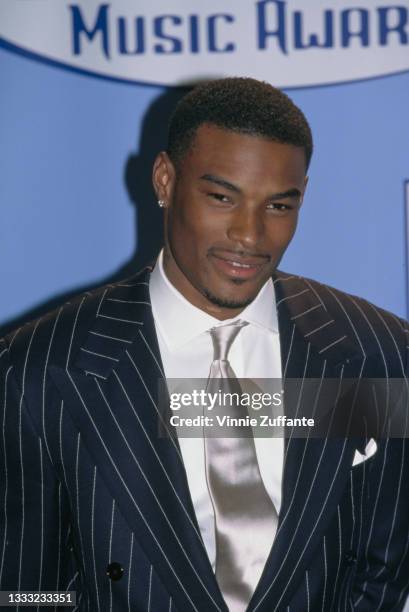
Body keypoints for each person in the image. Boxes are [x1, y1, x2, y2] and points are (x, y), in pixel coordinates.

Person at [0, 77, 408, 612]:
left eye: (279, 207)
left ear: (303, 196)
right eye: (221, 197)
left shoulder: (376, 354)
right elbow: (24, 591)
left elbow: (385, 569)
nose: (250, 235)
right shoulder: (41, 370)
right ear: (165, 180)